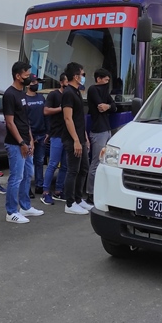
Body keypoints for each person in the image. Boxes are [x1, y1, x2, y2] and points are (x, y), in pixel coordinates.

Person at [3, 62, 44, 224]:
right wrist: (21, 142)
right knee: (16, 177)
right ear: (17, 76)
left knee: (28, 175)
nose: (29, 78)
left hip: (26, 142)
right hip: (15, 144)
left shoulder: (22, 94)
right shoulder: (10, 94)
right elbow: (10, 122)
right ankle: (11, 211)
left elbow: (24, 120)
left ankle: (25, 206)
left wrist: (31, 140)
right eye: (26, 76)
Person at [61, 62, 92, 215]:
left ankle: (79, 199)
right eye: (83, 74)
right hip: (72, 139)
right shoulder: (68, 93)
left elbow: (79, 118)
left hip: (80, 137)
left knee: (84, 168)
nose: (84, 77)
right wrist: (75, 140)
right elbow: (68, 119)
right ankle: (70, 203)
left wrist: (84, 136)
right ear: (76, 76)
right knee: (73, 170)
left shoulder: (77, 91)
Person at [85, 68, 116, 204]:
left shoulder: (105, 92)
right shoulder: (93, 89)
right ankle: (90, 192)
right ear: (98, 79)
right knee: (96, 162)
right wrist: (108, 106)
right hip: (98, 131)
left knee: (108, 162)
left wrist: (108, 106)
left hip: (107, 129)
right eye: (105, 80)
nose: (107, 83)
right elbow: (100, 107)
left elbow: (114, 106)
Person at [40, 73, 68, 205]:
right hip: (56, 134)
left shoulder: (71, 95)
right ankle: (46, 192)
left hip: (68, 135)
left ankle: (58, 190)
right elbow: (46, 111)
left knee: (65, 165)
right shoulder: (54, 95)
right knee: (53, 163)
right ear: (62, 82)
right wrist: (61, 109)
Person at [25, 74, 47, 198]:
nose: (36, 84)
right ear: (28, 84)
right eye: (33, 82)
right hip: (29, 135)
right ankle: (27, 188)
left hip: (41, 133)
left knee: (39, 161)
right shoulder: (24, 99)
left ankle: (39, 185)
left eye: (37, 82)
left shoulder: (41, 98)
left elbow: (45, 115)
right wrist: (30, 137)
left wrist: (47, 131)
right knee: (28, 163)